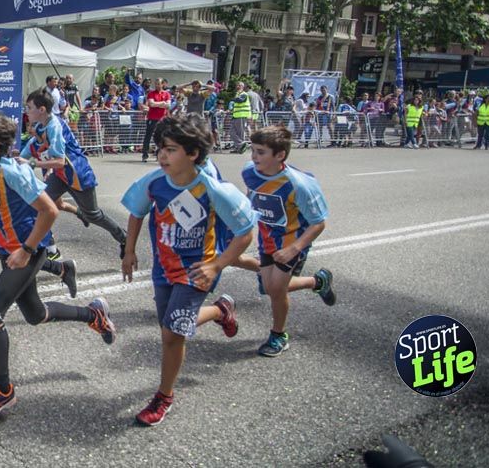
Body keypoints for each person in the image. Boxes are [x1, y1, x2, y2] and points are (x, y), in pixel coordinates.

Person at [0, 110, 116, 421]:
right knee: (36, 315)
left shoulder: (11, 171)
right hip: (8, 250)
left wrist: (27, 250)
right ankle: (93, 314)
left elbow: (49, 210)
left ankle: (2, 390)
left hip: (29, 249)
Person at [121, 114, 256, 426]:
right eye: (160, 149)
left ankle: (164, 395)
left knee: (171, 334)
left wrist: (217, 265)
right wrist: (128, 252)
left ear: (193, 153)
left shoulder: (211, 188)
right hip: (163, 270)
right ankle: (221, 310)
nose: (162, 156)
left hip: (198, 271)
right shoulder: (154, 183)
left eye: (170, 150)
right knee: (172, 325)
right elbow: (136, 213)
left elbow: (245, 231)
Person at [238, 126, 335, 358]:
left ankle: (279, 335)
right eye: (252, 150)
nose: (254, 157)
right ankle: (317, 281)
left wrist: (295, 248)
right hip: (267, 239)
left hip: (292, 242)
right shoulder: (249, 172)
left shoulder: (299, 185)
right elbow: (252, 196)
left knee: (275, 288)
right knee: (271, 287)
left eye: (261, 152)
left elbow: (318, 223)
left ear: (280, 155)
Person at [22, 89, 128, 255]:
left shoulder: (54, 127)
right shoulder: (41, 126)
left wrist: (31, 163)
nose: (26, 111)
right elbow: (29, 149)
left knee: (94, 215)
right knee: (39, 205)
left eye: (28, 107)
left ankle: (124, 238)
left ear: (41, 110)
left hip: (78, 175)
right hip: (61, 176)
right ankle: (48, 248)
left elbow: (59, 161)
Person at [141, 78, 171, 162]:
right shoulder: (151, 93)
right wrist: (162, 103)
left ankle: (159, 155)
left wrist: (158, 104)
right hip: (152, 118)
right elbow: (151, 104)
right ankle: (145, 155)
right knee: (148, 136)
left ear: (162, 84)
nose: (157, 85)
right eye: (156, 83)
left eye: (159, 84)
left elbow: (168, 105)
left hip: (162, 119)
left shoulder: (167, 94)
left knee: (162, 138)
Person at [228, 82, 251, 153]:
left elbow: (240, 100)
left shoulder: (244, 94)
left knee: (240, 133)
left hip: (241, 116)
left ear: (242, 87)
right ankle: (241, 144)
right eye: (236, 85)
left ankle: (239, 148)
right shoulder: (238, 94)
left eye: (239, 85)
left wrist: (233, 99)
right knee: (231, 132)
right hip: (236, 116)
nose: (237, 86)